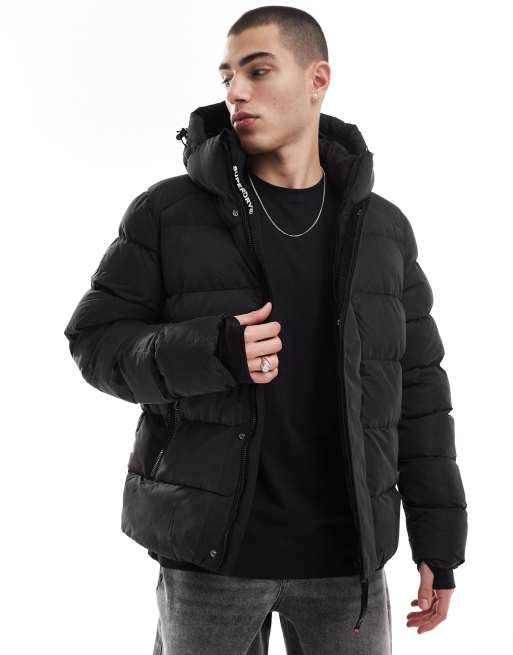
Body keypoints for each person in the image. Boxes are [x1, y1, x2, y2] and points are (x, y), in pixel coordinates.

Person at [63, 6, 468, 654]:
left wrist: (438, 544)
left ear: (317, 80)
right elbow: (95, 340)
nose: (236, 92)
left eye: (257, 71)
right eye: (228, 75)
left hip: (346, 561)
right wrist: (212, 350)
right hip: (211, 558)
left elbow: (419, 391)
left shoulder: (382, 229)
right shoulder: (167, 213)